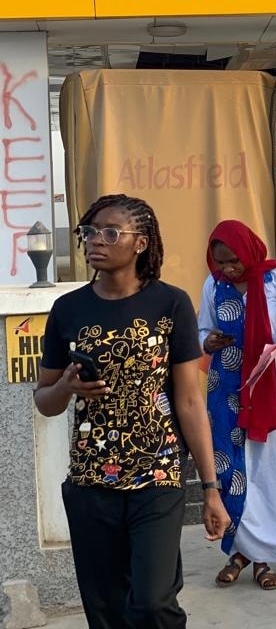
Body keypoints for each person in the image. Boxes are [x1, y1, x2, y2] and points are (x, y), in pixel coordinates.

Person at [35, 193, 230, 628]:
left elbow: (190, 400)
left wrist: (211, 488)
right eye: (89, 232)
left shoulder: (170, 304)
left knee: (153, 602)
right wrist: (67, 385)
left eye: (110, 232)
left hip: (158, 475)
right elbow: (44, 400)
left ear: (140, 243)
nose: (94, 241)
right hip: (91, 479)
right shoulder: (68, 309)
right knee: (106, 612)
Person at [198, 220, 276, 590]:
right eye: (220, 263)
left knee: (268, 468)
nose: (227, 269)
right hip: (225, 388)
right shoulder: (213, 285)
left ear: (248, 252)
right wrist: (208, 341)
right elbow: (201, 330)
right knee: (233, 466)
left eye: (233, 262)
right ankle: (239, 552)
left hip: (268, 388)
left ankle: (263, 559)